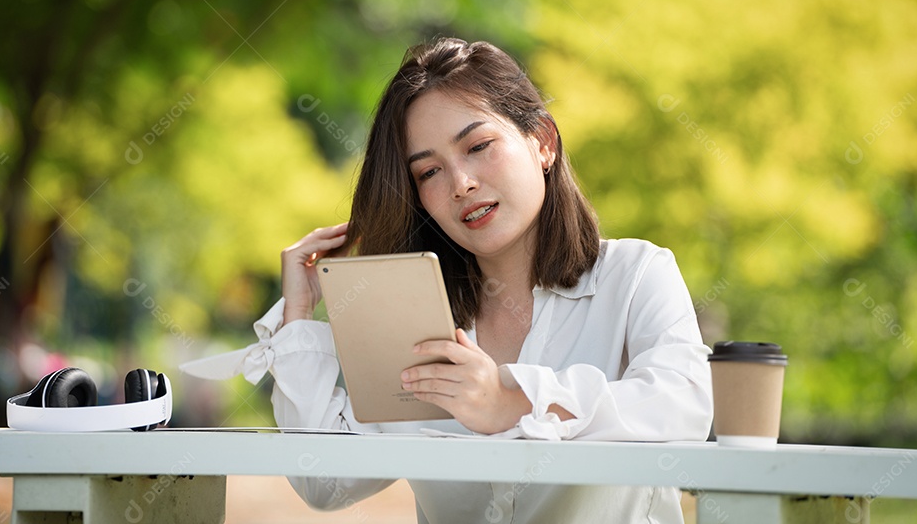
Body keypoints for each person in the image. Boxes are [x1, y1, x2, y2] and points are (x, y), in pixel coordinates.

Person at [183, 37, 713, 523]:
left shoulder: (636, 275)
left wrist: (515, 401)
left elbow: (682, 406)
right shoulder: (413, 319)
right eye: (429, 172)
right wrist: (297, 317)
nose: (461, 183)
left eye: (478, 146)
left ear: (542, 141)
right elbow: (326, 481)